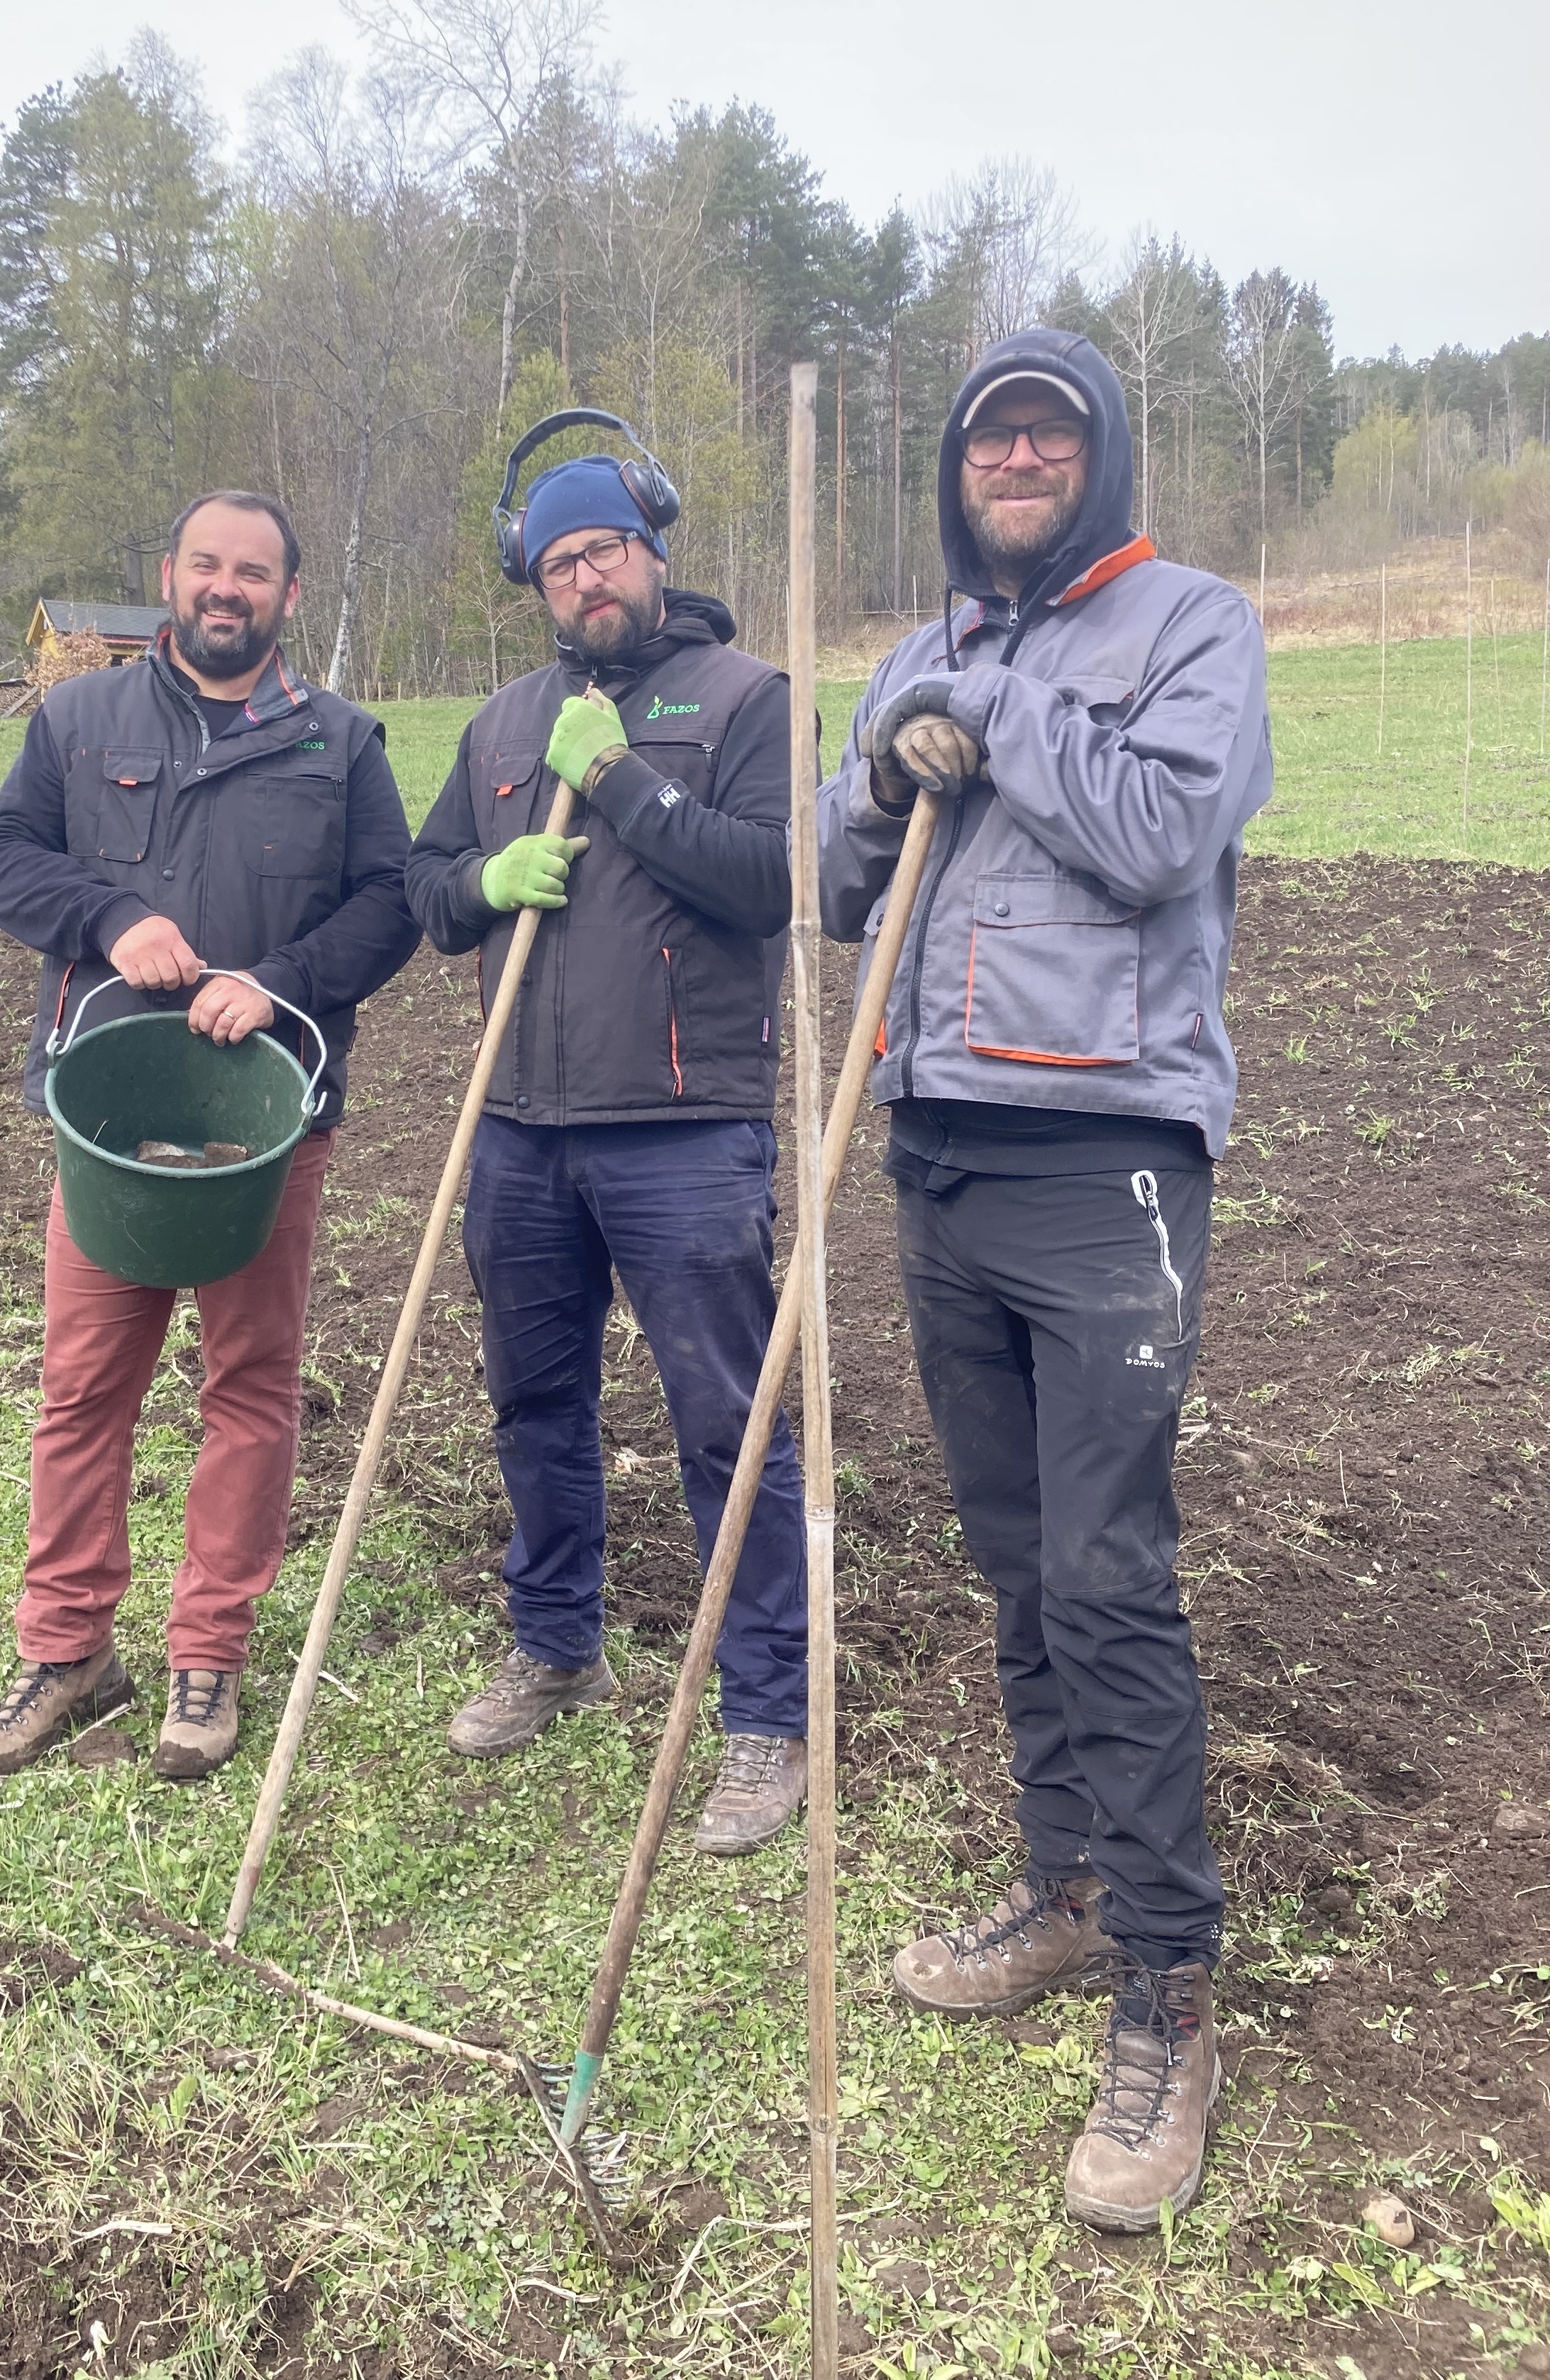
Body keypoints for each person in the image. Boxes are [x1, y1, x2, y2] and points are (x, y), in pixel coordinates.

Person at [818, 328, 1271, 2231]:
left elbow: (1167, 836)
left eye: (1048, 433)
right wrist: (878, 750)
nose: (1015, 456)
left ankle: (1173, 1981)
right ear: (955, 468)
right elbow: (849, 890)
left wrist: (993, 722)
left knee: (1104, 1567)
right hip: (942, 1149)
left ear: (1099, 460)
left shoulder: (1189, 624)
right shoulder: (927, 645)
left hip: (1107, 1157)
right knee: (1013, 1559)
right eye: (990, 435)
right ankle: (1071, 1884)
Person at [0, 492, 420, 1783]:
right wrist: (107, 918)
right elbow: (4, 861)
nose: (229, 589)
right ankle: (67, 1651)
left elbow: (390, 907)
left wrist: (277, 981)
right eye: (208, 566)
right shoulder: (77, 719)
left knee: (252, 1389)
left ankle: (206, 1654)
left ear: (287, 594)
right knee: (82, 1391)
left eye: (256, 573)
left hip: (263, 1123)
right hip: (108, 1117)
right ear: (168, 575)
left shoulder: (339, 743)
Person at [405, 416, 810, 1856]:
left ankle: (767, 1712)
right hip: (520, 1127)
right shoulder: (503, 724)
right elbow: (426, 884)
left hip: (685, 1132)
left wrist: (627, 782)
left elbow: (774, 882)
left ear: (655, 551)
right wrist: (483, 880)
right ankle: (556, 1639)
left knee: (728, 1424)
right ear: (537, 578)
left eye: (609, 551)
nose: (589, 580)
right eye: (562, 561)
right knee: (535, 1401)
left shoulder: (746, 699)